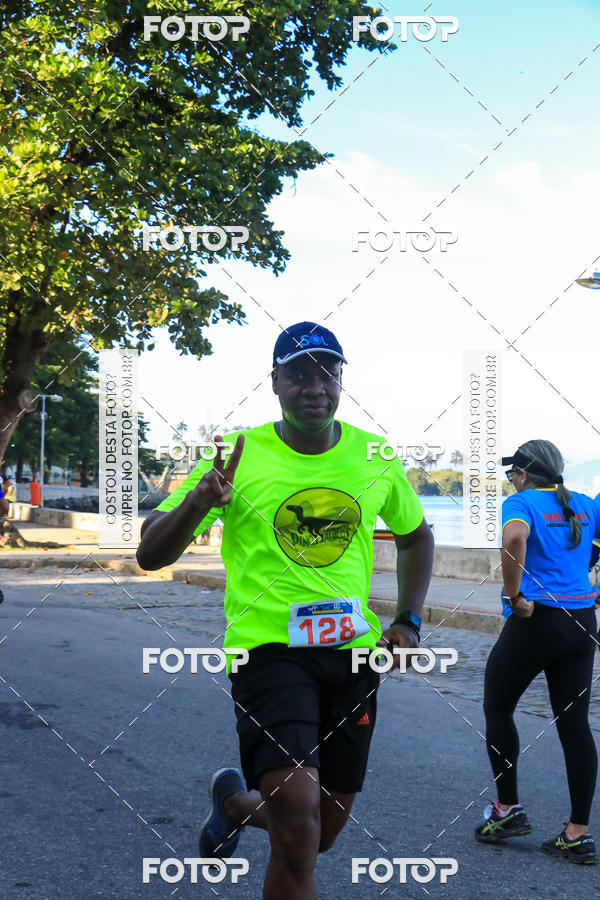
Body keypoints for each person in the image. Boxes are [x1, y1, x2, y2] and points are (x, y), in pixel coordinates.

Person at [136, 321, 434, 898]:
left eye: (327, 372)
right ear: (275, 383)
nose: (314, 385)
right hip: (269, 652)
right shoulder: (238, 455)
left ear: (341, 381)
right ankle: (253, 807)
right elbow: (150, 552)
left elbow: (416, 536)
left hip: (353, 656)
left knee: (318, 833)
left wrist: (408, 619)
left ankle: (232, 804)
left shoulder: (374, 455)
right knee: (298, 825)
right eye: (298, 373)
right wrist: (200, 500)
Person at [475, 440, 600, 865]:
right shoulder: (584, 503)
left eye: (513, 473)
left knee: (497, 706)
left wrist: (515, 597)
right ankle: (578, 834)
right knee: (575, 725)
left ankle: (507, 810)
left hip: (538, 619)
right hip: (582, 622)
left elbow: (513, 539)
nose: (511, 480)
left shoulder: (522, 502)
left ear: (524, 474)